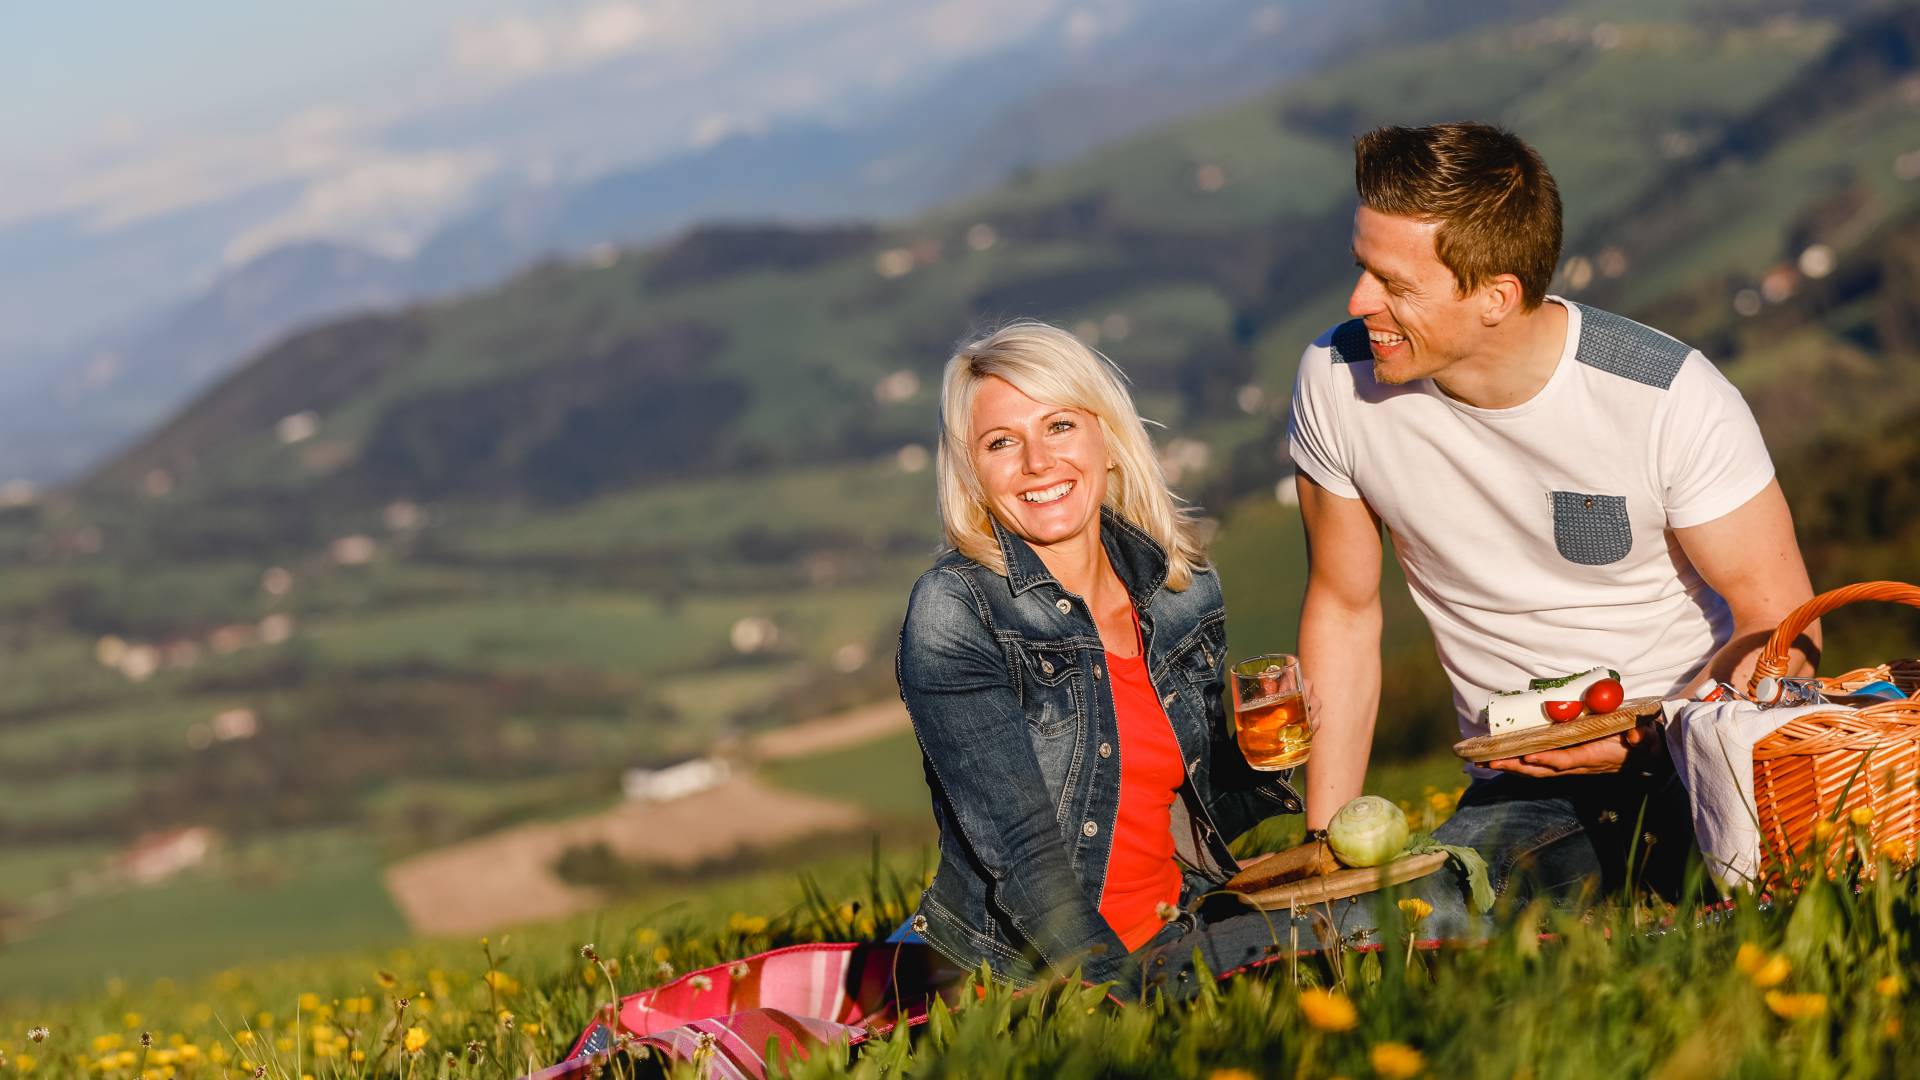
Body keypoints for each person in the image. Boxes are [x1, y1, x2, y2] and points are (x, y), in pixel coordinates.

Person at [1287, 122, 1819, 924]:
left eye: (1394, 284)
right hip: (1523, 788)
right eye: (1363, 270)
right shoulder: (1336, 382)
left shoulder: (1666, 396)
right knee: (1415, 919)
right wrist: (1327, 850)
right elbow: (1345, 608)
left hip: (1704, 761)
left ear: (1496, 295)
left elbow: (1783, 623)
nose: (1360, 304)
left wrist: (1663, 735)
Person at [895, 322, 1309, 999]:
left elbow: (1183, 810)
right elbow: (1022, 852)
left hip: (1177, 927)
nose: (1037, 462)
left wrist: (1267, 757)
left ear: (1106, 440)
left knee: (1409, 917)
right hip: (1032, 974)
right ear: (973, 474)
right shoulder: (954, 610)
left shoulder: (1182, 587)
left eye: (1059, 426)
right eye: (1002, 443)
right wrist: (1127, 998)